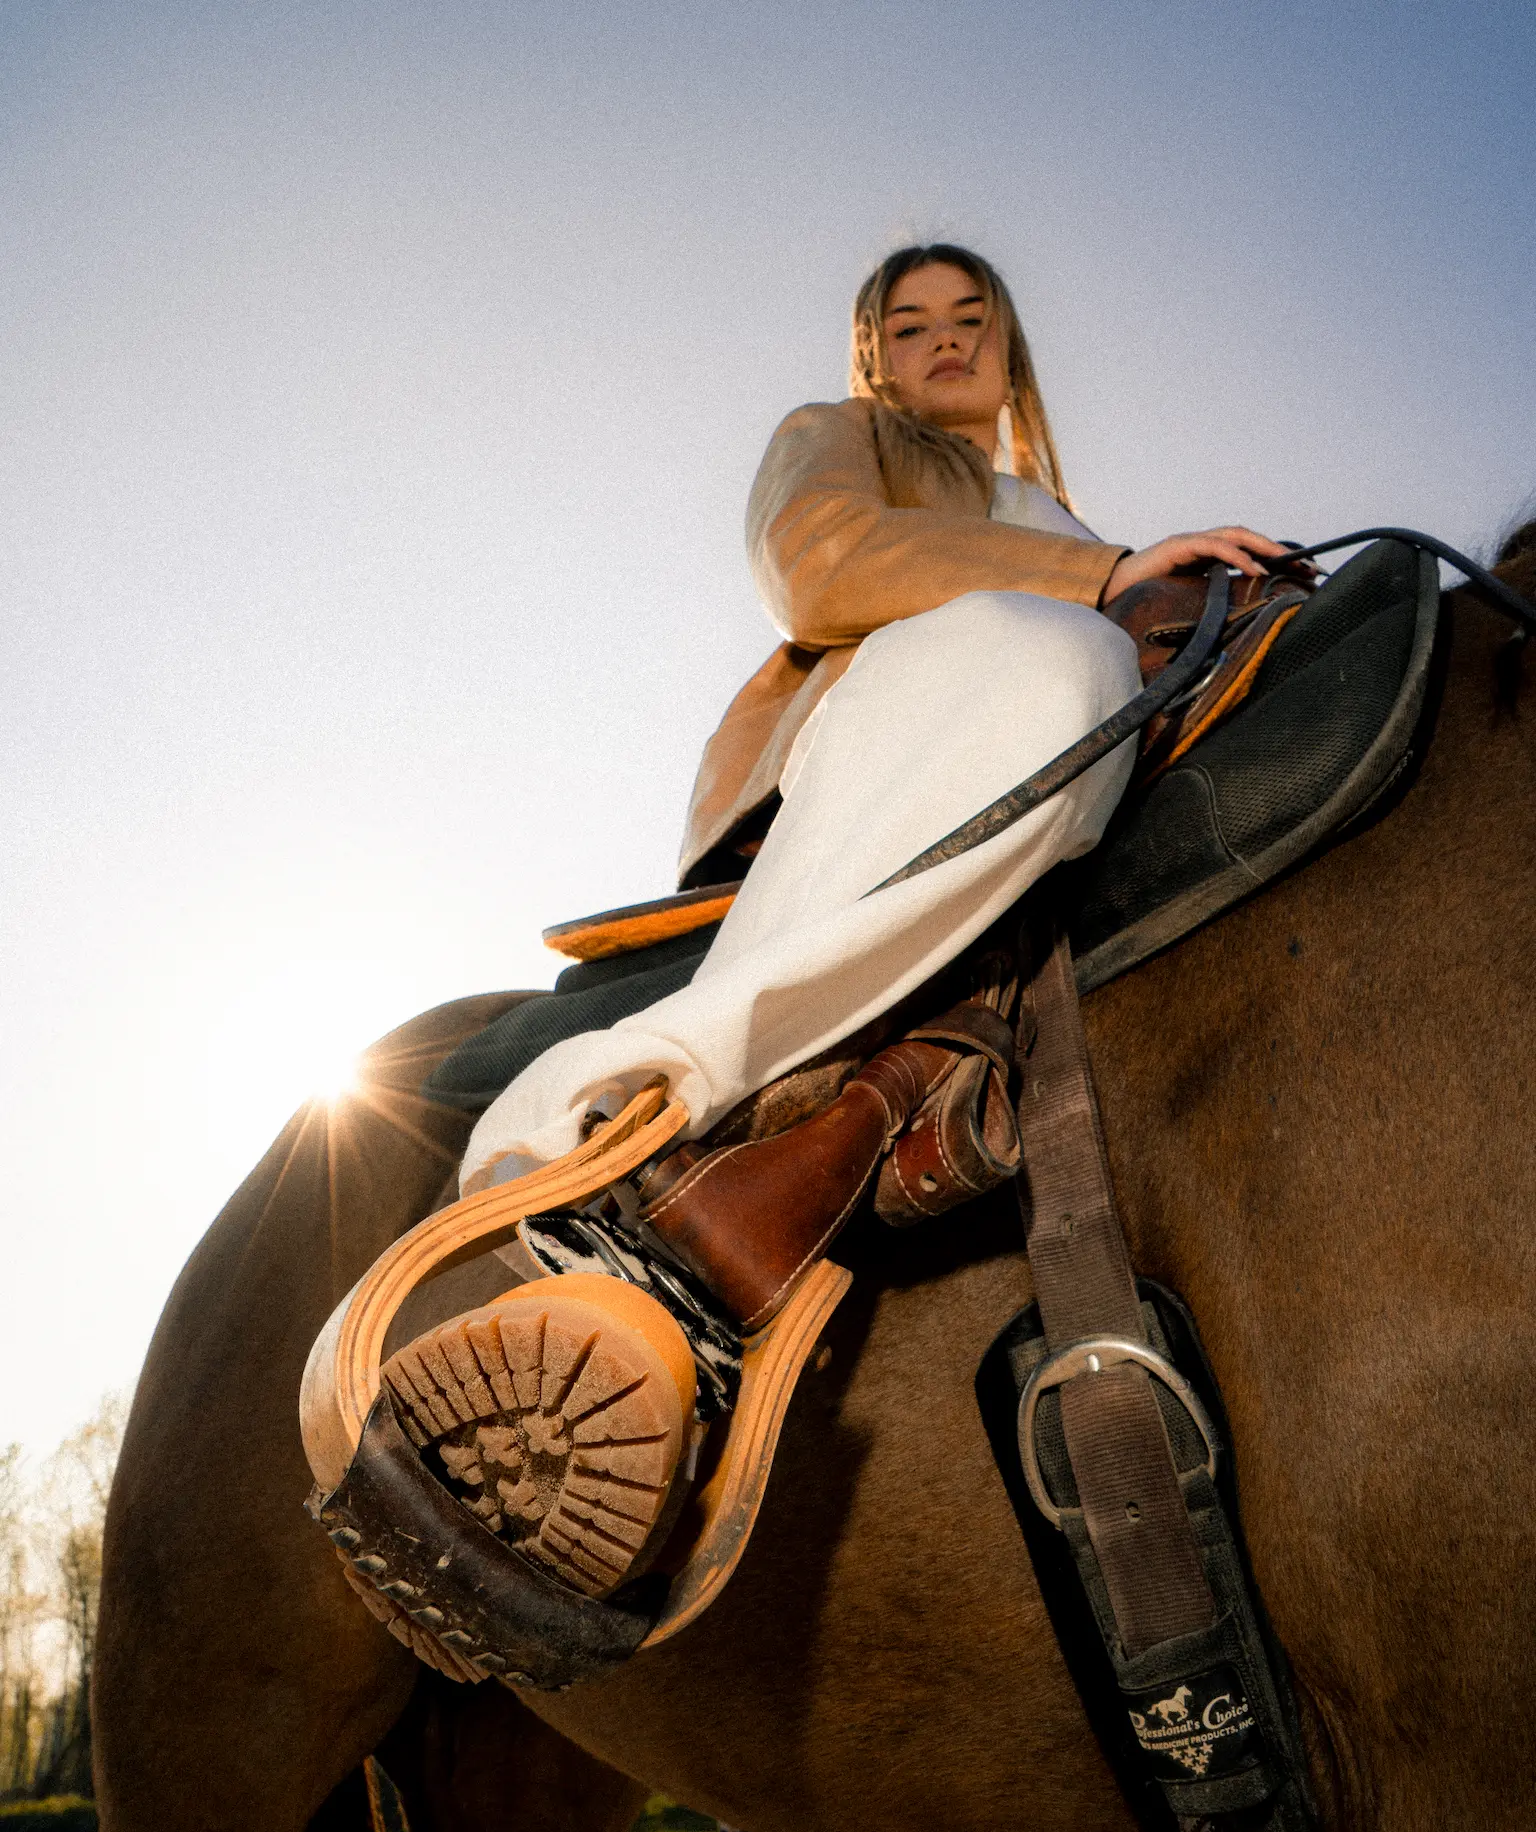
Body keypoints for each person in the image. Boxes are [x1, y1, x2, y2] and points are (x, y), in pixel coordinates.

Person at [383, 244, 1287, 1597]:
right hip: (902, 740)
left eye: (970, 322)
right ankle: (629, 1136)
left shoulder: (1057, 511)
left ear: (1009, 350)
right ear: (873, 357)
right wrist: (1104, 584)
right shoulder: (844, 443)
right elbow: (822, 569)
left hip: (1075, 760)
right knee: (1057, 660)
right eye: (909, 325)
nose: (943, 344)